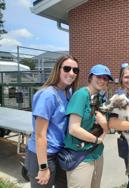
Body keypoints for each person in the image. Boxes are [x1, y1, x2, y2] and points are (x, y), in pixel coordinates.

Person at [25, 55, 80, 188]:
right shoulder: (48, 95)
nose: (71, 73)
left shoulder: (68, 92)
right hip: (44, 155)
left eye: (75, 70)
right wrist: (43, 167)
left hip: (60, 153)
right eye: (67, 69)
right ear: (58, 70)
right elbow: (40, 135)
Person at [64, 64, 113, 188]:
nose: (102, 80)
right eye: (99, 76)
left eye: (105, 78)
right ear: (90, 77)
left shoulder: (100, 99)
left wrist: (103, 124)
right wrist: (97, 140)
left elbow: (107, 129)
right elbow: (73, 129)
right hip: (80, 158)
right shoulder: (81, 95)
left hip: (97, 155)